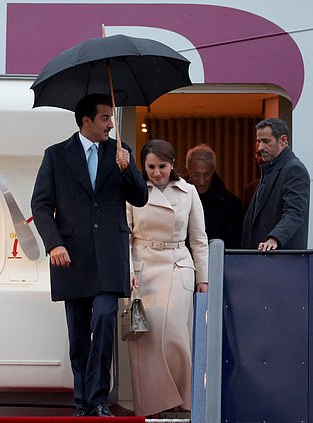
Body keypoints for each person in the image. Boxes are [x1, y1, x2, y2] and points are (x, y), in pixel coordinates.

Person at [30, 93, 148, 417]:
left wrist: (127, 170)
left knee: (105, 316)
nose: (111, 124)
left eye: (111, 118)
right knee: (79, 334)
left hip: (110, 257)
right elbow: (40, 204)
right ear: (86, 121)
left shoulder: (120, 153)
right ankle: (82, 402)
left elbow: (140, 198)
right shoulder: (56, 155)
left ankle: (98, 398)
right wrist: (54, 244)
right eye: (105, 118)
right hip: (72, 257)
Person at [126, 138, 208, 418]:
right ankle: (152, 404)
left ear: (172, 165)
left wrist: (204, 278)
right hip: (143, 267)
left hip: (176, 264)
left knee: (175, 333)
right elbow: (123, 235)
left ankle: (184, 399)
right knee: (145, 337)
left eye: (162, 166)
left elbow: (198, 239)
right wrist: (127, 270)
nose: (156, 172)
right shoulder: (132, 191)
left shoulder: (188, 192)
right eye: (150, 166)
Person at [241, 118, 310, 251]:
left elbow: (295, 212)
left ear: (283, 140)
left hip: (280, 261)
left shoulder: (294, 170)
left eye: (266, 141)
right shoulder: (270, 170)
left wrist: (275, 238)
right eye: (258, 141)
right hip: (266, 259)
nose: (260, 147)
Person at [185, 143, 243, 248]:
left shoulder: (232, 206)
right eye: (196, 175)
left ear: (213, 171)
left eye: (206, 175)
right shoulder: (177, 199)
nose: (201, 181)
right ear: (188, 170)